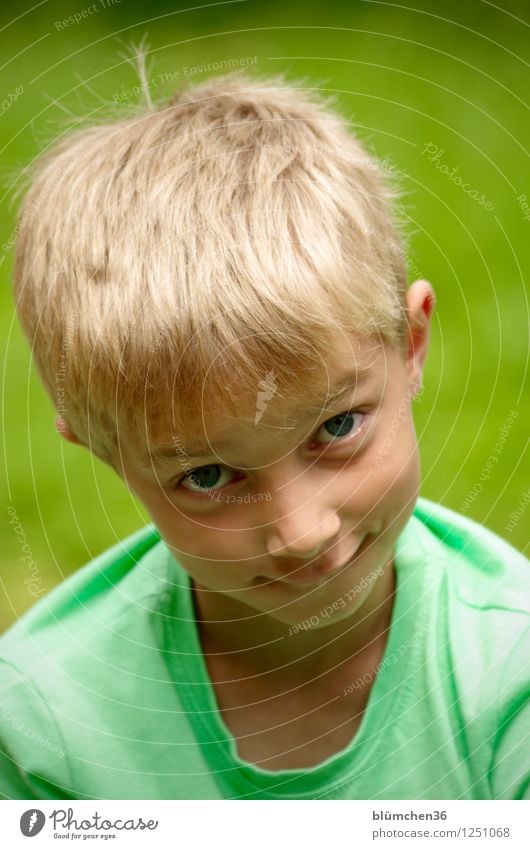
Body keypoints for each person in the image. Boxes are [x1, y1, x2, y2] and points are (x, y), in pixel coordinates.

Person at [1, 70, 528, 801]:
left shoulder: (510, 674)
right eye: (210, 475)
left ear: (410, 344)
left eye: (336, 427)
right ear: (99, 446)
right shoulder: (41, 721)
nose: (302, 531)